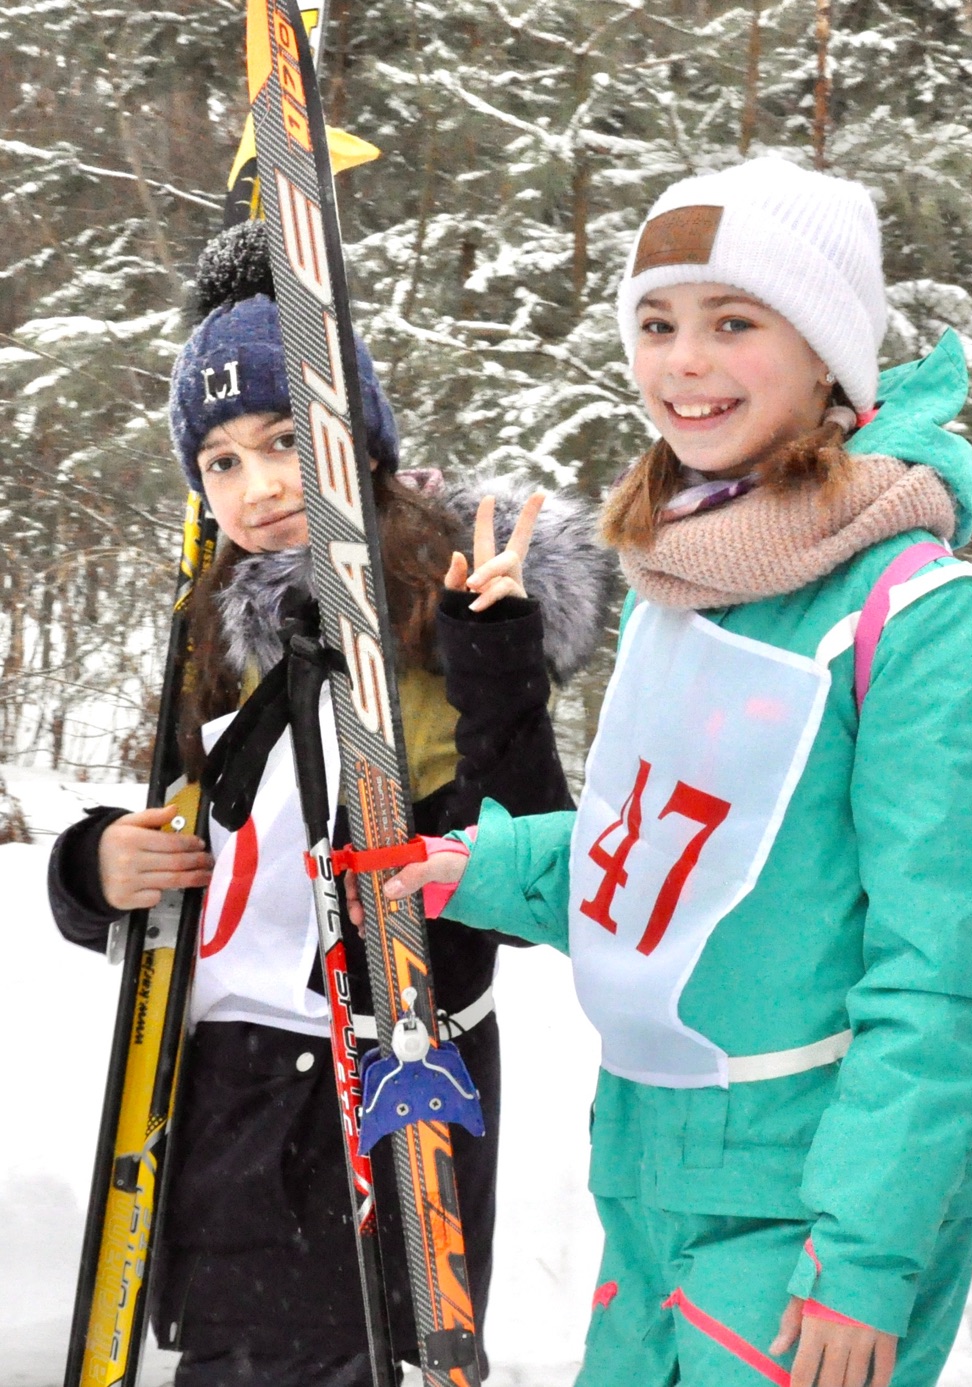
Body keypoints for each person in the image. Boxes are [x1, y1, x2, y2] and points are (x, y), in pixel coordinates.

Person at [380, 158, 972, 1387]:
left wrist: (863, 1256)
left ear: (827, 354)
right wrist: (488, 863)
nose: (683, 362)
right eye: (656, 323)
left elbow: (949, 977)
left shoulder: (921, 616)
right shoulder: (686, 580)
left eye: (733, 324)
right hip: (649, 1167)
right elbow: (670, 857)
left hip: (807, 1210)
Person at [45, 222, 610, 1385]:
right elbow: (183, 850)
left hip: (379, 1096)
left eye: (286, 442)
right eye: (220, 462)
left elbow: (528, 880)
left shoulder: (441, 615)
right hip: (216, 1099)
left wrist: (493, 655)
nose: (256, 489)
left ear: (360, 438)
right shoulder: (222, 627)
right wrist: (93, 870)